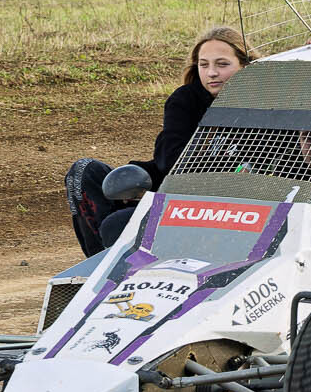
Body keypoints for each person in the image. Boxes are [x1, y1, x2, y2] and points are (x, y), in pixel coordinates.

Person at [63, 26, 259, 255]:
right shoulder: (185, 100)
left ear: (245, 65)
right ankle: (105, 262)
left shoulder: (267, 105)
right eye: (204, 65)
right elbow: (170, 161)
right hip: (171, 194)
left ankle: (125, 251)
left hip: (228, 209)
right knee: (84, 172)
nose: (212, 73)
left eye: (222, 64)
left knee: (118, 223)